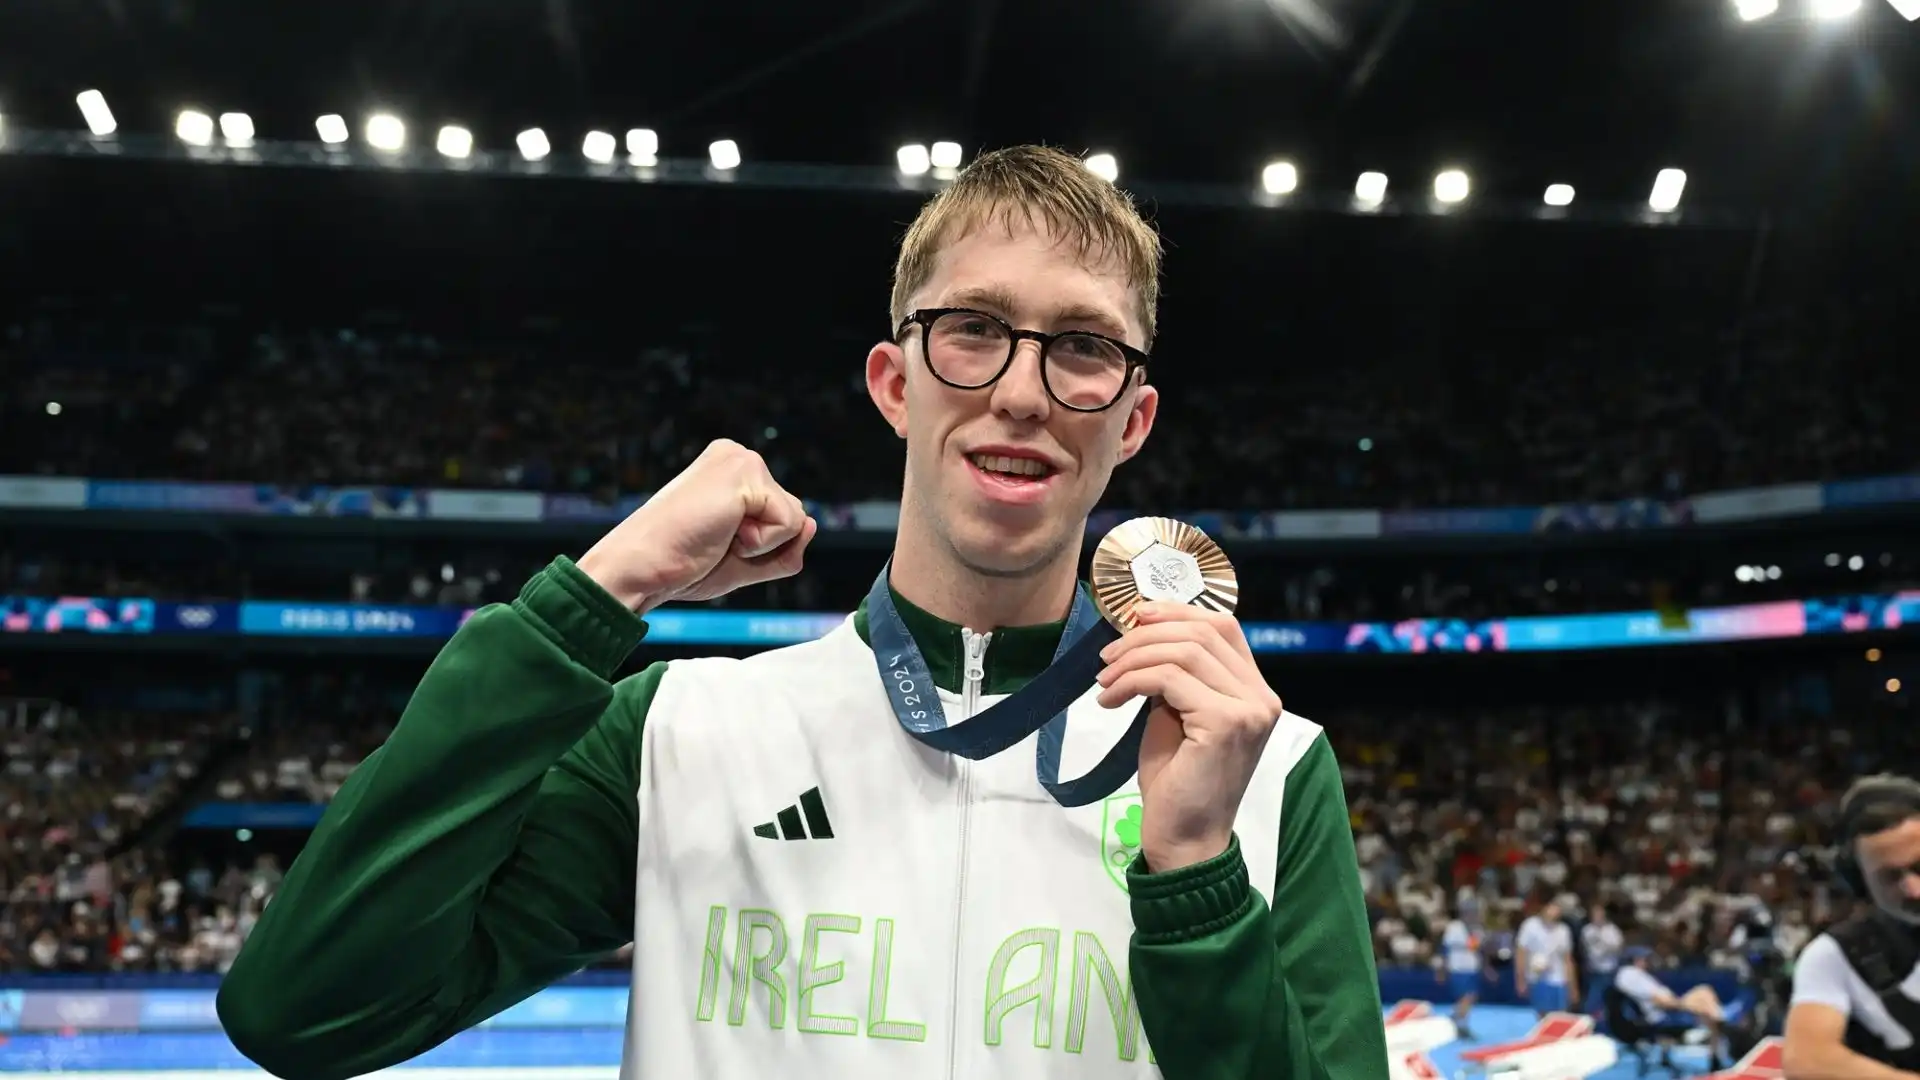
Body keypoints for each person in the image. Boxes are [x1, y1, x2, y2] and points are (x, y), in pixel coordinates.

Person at [215, 145, 1389, 1080]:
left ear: (1131, 418)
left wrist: (1191, 876)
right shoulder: (679, 734)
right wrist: (590, 601)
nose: (1024, 392)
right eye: (973, 329)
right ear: (896, 381)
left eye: (1082, 347)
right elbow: (303, 1012)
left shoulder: (1266, 772)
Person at [1783, 774, 1920, 1080]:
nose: (1914, 890)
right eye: (1889, 877)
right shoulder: (1834, 955)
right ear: (1858, 881)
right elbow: (1807, 1061)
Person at [1609, 946, 1733, 1071]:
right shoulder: (1629, 974)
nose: (1647, 961)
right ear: (1635, 959)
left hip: (1667, 1008)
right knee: (1706, 998)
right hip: (1661, 1014)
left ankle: (1716, 1048)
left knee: (1706, 997)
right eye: (1644, 958)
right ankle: (1716, 1052)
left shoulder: (1638, 974)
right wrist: (1678, 1004)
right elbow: (1658, 999)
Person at [1515, 900, 1578, 1016]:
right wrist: (1520, 979)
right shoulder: (1530, 926)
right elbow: (1521, 953)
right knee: (1542, 1014)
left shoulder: (1563, 930)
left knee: (1561, 1015)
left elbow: (1567, 960)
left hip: (1558, 980)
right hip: (1537, 978)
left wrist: (1572, 986)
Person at [1441, 897, 1486, 1039]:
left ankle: (1462, 1024)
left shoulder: (1477, 929)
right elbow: (1445, 948)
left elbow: (1477, 948)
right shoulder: (1454, 927)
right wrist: (1442, 968)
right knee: (1467, 996)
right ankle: (1455, 1019)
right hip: (1458, 967)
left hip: (1472, 967)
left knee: (1470, 997)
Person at [1581, 903, 1623, 1018]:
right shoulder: (1587, 930)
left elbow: (1618, 947)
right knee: (1592, 999)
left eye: (1600, 913)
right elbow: (1588, 948)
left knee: (1609, 1000)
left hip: (1610, 970)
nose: (1598, 916)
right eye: (1595, 914)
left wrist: (1606, 944)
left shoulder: (1612, 930)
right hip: (1594, 970)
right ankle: (1591, 1020)